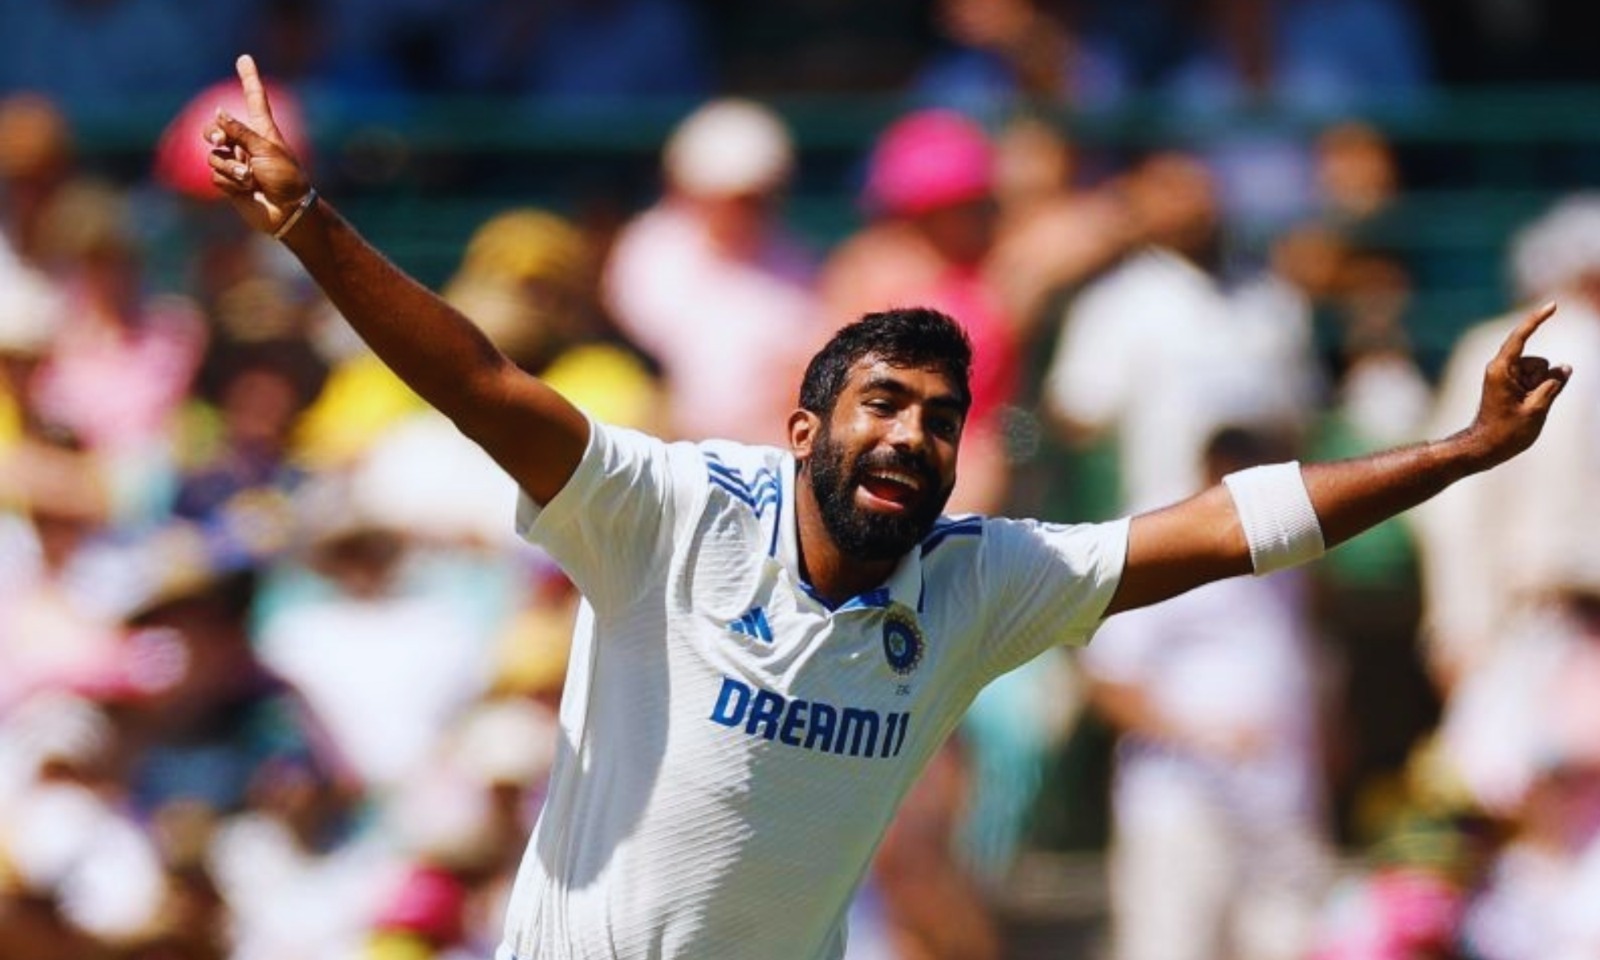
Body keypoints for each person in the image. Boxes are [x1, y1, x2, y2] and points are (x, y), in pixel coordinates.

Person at [204, 54, 1570, 960]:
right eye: (881, 406)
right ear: (805, 426)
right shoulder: (672, 515)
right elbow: (485, 381)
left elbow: (1223, 525)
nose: (910, 436)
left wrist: (1456, 452)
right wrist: (312, 219)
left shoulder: (974, 581)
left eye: (937, 417)